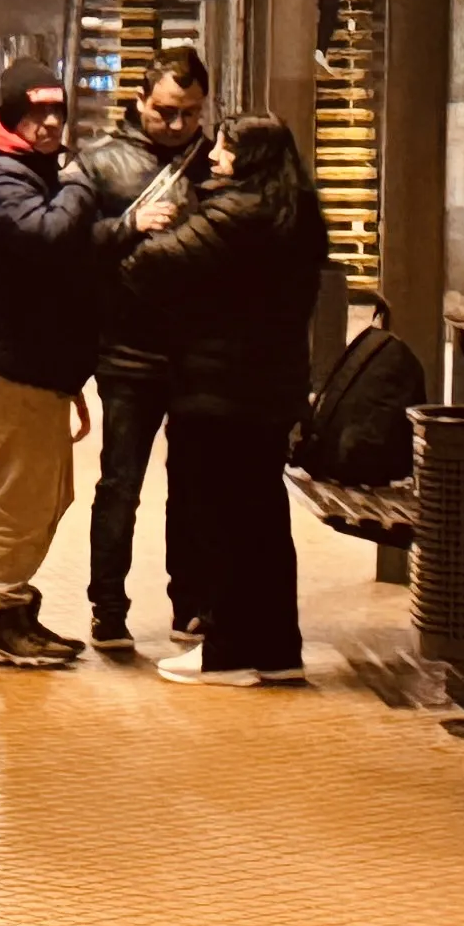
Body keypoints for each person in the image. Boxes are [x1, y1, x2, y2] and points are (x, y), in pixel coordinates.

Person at [114, 114, 331, 685]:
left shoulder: (237, 213)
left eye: (227, 149)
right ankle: (277, 650)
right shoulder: (296, 213)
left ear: (251, 158)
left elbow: (147, 266)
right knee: (262, 523)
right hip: (268, 390)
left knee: (223, 523)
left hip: (220, 391)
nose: (213, 157)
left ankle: (229, 652)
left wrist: (146, 230)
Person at [0, 57, 97, 668]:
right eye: (35, 112)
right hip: (14, 369)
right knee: (21, 497)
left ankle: (17, 610)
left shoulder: (31, 168)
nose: (48, 123)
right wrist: (80, 183)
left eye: (56, 112)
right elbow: (47, 237)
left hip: (38, 366)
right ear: (10, 113)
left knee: (49, 495)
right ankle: (1, 620)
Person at [77, 47, 214, 653]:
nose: (178, 125)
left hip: (197, 351)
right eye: (165, 112)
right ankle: (108, 607)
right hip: (126, 350)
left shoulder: (216, 162)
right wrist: (130, 227)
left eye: (189, 113)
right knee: (121, 482)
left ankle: (190, 604)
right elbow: (73, 245)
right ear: (139, 102)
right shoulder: (101, 164)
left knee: (193, 485)